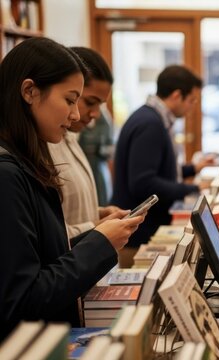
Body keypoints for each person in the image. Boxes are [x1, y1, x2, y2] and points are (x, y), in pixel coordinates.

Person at [0, 37, 144, 340]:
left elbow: (48, 255)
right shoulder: (7, 174)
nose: (77, 115)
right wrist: (98, 244)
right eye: (69, 100)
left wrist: (95, 236)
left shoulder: (28, 162)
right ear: (29, 91)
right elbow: (24, 299)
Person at [111, 65, 214, 267]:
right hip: (139, 235)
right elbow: (143, 183)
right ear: (177, 95)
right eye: (192, 100)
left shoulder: (152, 118)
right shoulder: (150, 124)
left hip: (143, 230)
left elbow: (159, 170)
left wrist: (192, 169)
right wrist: (192, 188)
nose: (192, 107)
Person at [49, 46, 123, 238]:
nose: (95, 114)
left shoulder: (69, 137)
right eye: (90, 102)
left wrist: (98, 213)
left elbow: (67, 211)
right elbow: (49, 235)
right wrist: (96, 227)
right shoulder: (42, 146)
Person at [78, 105, 114, 206]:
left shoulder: (104, 119)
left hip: (99, 169)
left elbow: (110, 148)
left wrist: (99, 150)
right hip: (83, 167)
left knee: (101, 199)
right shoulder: (79, 122)